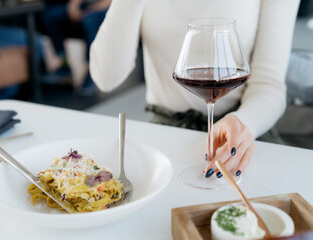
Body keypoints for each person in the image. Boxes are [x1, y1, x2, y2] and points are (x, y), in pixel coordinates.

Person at [89, 0, 300, 178]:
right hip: (168, 130)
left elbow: (269, 82)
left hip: (242, 130)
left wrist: (245, 122)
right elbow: (106, 78)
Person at [41, 0, 111, 96]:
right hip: (85, 6)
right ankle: (65, 65)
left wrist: (91, 9)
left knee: (89, 20)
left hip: (107, 8)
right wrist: (74, 5)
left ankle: (92, 71)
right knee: (50, 17)